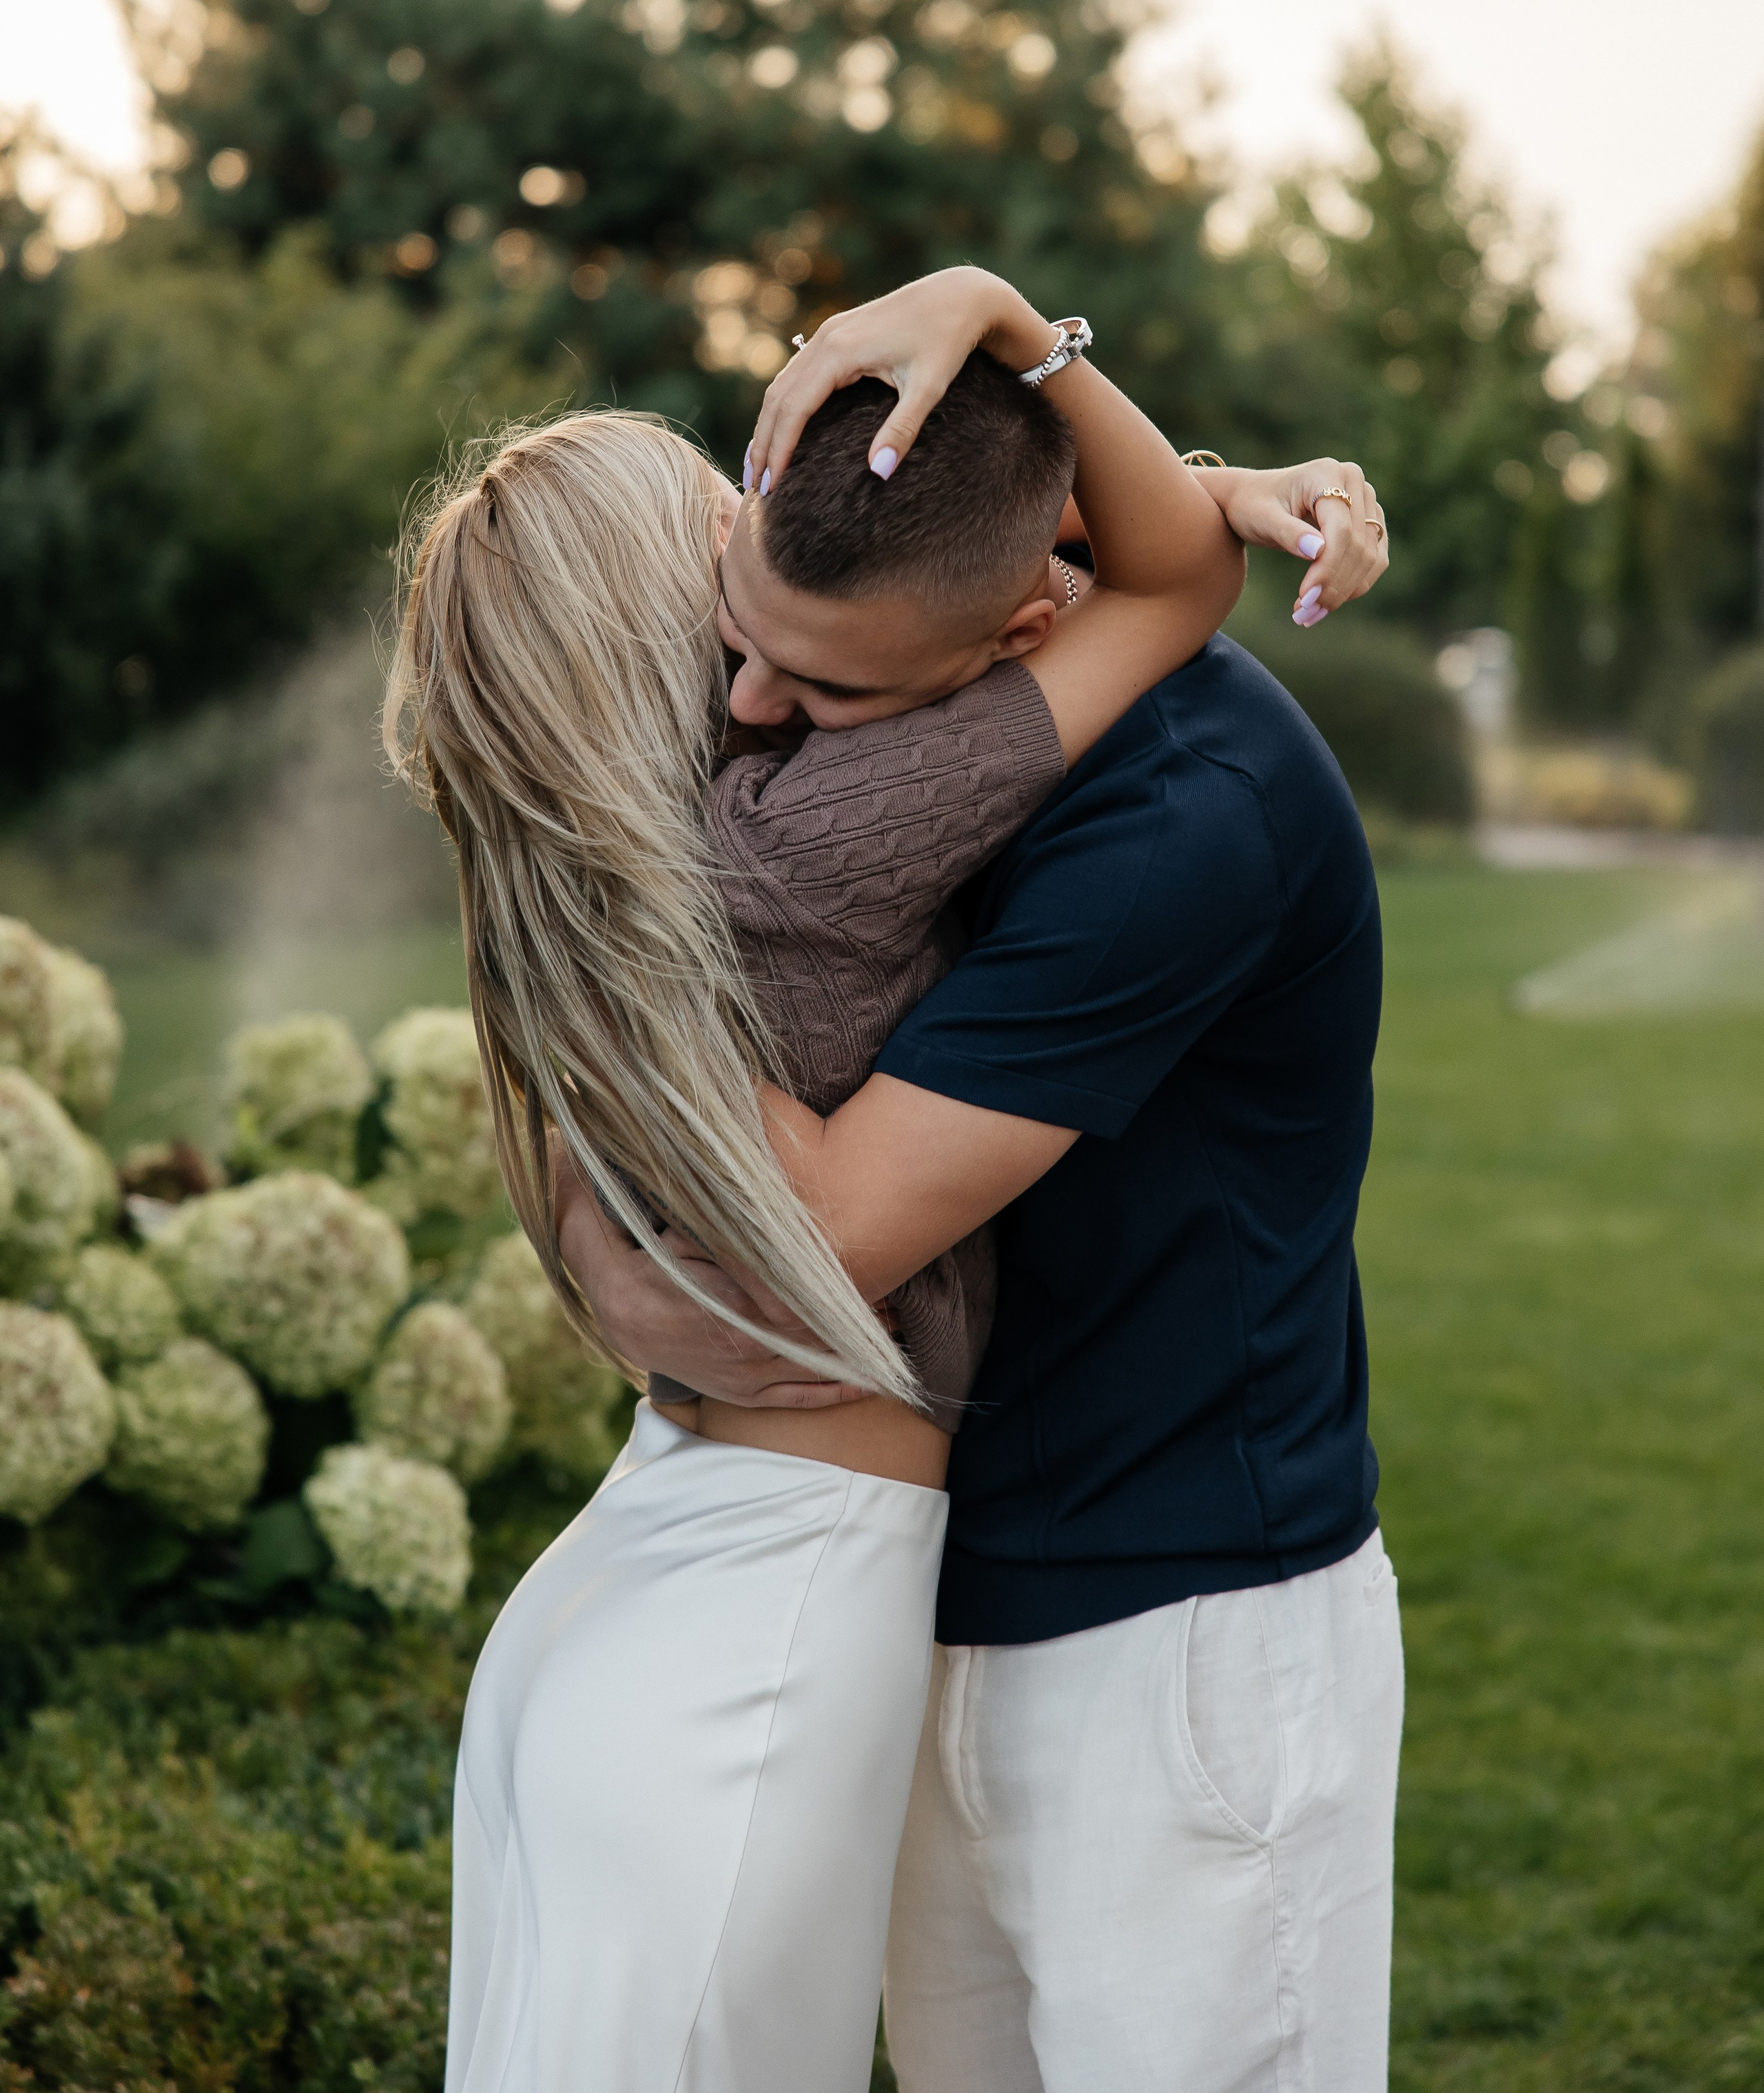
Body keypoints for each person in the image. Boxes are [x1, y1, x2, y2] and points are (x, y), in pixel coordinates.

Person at [387, 265, 1386, 2092]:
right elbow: (1113, 575)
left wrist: (1032, 342)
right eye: (729, 610)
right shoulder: (826, 758)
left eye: (814, 671)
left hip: (1172, 1631)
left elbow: (831, 1232)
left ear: (1008, 628)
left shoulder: (1175, 808)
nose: (758, 690)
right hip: (921, 1594)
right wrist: (1053, 373)